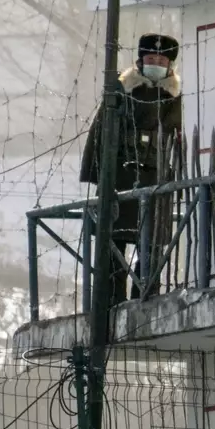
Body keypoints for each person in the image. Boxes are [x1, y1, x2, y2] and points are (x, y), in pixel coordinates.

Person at [80, 33, 184, 303]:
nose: (156, 63)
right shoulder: (121, 91)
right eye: (151, 58)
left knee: (151, 246)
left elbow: (178, 140)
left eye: (161, 59)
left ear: (170, 64)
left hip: (156, 178)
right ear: (140, 60)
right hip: (121, 176)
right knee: (115, 241)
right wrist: (99, 175)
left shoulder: (175, 97)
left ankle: (145, 297)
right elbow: (101, 132)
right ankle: (113, 300)